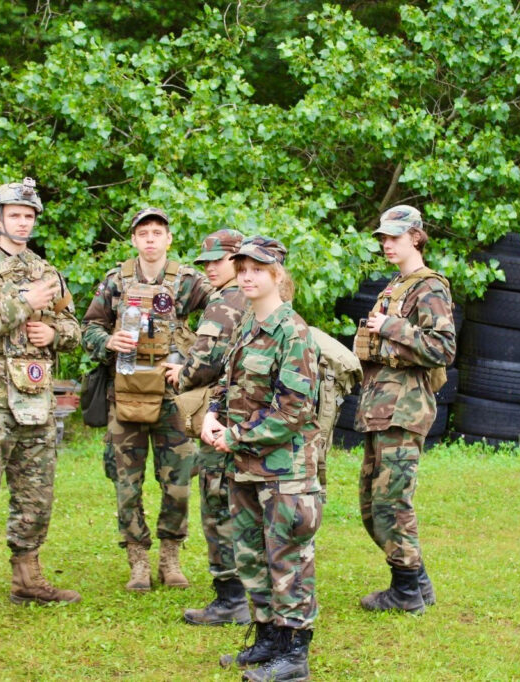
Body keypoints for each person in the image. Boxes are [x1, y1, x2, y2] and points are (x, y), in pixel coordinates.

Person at [0, 177, 83, 629]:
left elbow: (74, 329)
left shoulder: (47, 272)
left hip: (35, 400)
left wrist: (54, 333)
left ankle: (27, 576)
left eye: (29, 216)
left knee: (36, 496)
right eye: (15, 215)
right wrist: (23, 303)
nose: (23, 223)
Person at [201, 236, 322, 681]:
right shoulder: (248, 325)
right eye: (242, 268)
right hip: (246, 467)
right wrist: (213, 414)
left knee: (288, 558)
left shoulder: (294, 333)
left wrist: (234, 436)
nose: (247, 276)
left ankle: (294, 655)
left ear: (277, 275)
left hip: (284, 471)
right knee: (252, 556)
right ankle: (269, 638)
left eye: (257, 269)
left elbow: (293, 410)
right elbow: (227, 381)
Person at [81, 207, 212, 591]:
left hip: (173, 397)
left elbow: (225, 314)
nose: (151, 239)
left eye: (157, 232)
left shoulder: (188, 281)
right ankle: (137, 559)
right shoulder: (115, 281)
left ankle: (170, 557)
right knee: (126, 482)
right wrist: (108, 340)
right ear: (134, 240)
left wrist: (193, 357)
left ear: (168, 239)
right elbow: (88, 328)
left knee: (178, 482)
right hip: (126, 395)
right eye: (144, 233)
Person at [353, 204, 456, 615]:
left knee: (391, 503)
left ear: (416, 237)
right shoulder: (396, 286)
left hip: (404, 409)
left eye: (394, 237)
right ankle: (418, 582)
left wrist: (390, 327)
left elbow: (443, 348)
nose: (386, 244)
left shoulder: (429, 287)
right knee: (371, 505)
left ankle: (407, 592)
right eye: (383, 238)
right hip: (380, 407)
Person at [167, 228, 252, 626]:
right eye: (206, 263)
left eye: (219, 261)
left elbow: (204, 362)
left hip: (222, 417)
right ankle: (252, 590)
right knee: (246, 505)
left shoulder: (224, 302)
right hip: (253, 417)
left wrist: (179, 374)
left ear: (237, 260)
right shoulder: (261, 297)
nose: (211, 269)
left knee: (218, 504)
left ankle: (230, 598)